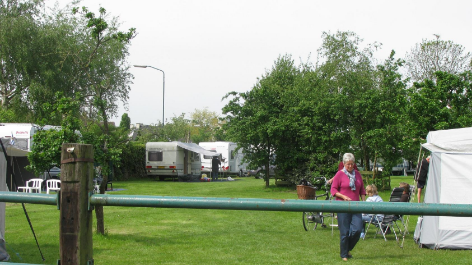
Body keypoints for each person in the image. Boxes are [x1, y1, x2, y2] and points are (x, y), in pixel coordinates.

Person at [330, 153, 366, 261]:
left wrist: (364, 203)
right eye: (348, 164)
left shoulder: (358, 175)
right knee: (344, 232)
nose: (350, 166)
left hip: (356, 206)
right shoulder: (339, 175)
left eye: (352, 164)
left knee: (357, 230)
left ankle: (346, 249)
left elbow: (362, 190)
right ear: (344, 164)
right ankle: (344, 254)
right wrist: (343, 197)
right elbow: (333, 190)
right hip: (342, 206)